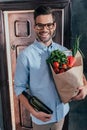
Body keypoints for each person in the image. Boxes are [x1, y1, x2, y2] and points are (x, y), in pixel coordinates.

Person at [14, 5, 87, 130]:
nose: (45, 29)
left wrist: (85, 86)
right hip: (41, 117)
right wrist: (34, 113)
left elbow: (78, 73)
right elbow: (19, 89)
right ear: (34, 27)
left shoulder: (64, 51)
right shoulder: (25, 56)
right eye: (40, 25)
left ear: (54, 26)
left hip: (62, 112)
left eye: (49, 25)